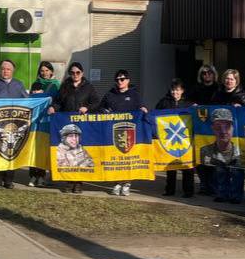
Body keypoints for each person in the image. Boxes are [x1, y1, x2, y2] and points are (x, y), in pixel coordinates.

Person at [51, 62, 100, 193]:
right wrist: (53, 108)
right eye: (72, 73)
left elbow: (96, 102)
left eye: (77, 72)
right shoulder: (65, 86)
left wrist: (87, 107)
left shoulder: (88, 87)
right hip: (66, 123)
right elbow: (58, 102)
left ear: (82, 73)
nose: (75, 75)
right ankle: (69, 182)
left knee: (79, 153)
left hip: (82, 125)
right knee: (68, 154)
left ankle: (78, 183)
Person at [98, 69, 148, 197]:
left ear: (128, 80)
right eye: (117, 79)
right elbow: (100, 107)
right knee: (115, 157)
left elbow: (141, 108)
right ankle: (117, 183)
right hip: (113, 131)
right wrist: (104, 110)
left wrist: (143, 109)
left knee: (127, 158)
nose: (120, 81)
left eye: (122, 79)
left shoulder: (134, 95)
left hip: (130, 131)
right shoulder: (110, 94)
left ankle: (126, 184)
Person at [0, 59, 28, 188]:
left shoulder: (19, 85)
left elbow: (27, 101)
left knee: (12, 152)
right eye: (3, 68)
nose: (5, 71)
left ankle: (9, 181)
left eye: (8, 69)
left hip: (15, 125)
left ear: (13, 71)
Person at [156, 79, 195, 198]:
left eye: (177, 90)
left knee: (187, 166)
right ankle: (169, 190)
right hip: (169, 139)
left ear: (182, 91)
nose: (175, 92)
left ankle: (188, 191)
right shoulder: (164, 102)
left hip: (185, 139)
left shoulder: (189, 104)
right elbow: (156, 115)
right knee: (170, 166)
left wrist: (197, 108)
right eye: (173, 90)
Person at [198, 107, 244, 204]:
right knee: (220, 173)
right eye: (218, 127)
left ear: (233, 128)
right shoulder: (205, 150)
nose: (223, 131)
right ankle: (222, 194)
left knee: (237, 174)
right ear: (212, 128)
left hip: (235, 156)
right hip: (217, 155)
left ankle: (236, 196)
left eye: (227, 126)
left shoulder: (241, 150)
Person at [28, 62, 61, 186]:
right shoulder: (36, 83)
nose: (44, 73)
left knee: (45, 148)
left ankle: (42, 176)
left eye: (47, 70)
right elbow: (30, 100)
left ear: (51, 71)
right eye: (42, 71)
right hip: (36, 120)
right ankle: (32, 176)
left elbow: (59, 100)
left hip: (49, 120)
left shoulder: (57, 85)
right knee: (33, 146)